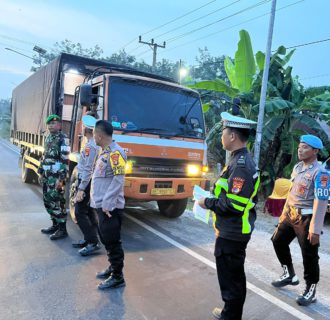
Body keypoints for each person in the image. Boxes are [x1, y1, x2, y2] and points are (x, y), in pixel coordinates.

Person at [198, 112, 259, 320]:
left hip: (233, 232)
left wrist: (206, 202)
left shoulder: (241, 166)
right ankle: (230, 313)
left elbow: (233, 204)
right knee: (233, 276)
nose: (221, 136)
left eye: (224, 132)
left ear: (232, 135)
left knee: (231, 278)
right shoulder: (236, 160)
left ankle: (230, 316)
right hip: (230, 229)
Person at [271, 135, 330, 306]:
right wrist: (283, 214)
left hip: (306, 219)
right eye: (299, 146)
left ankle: (310, 290)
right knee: (277, 241)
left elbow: (321, 200)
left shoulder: (321, 173)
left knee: (309, 256)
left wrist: (315, 229)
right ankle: (289, 274)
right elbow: (291, 193)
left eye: (305, 147)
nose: (300, 149)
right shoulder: (297, 167)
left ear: (316, 151)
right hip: (290, 215)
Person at [90, 120, 127, 290]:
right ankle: (113, 268)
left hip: (109, 207)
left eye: (93, 134)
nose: (93, 137)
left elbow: (119, 179)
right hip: (101, 204)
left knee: (113, 241)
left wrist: (107, 203)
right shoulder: (104, 152)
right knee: (106, 238)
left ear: (99, 135)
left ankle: (118, 277)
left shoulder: (115, 153)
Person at [72, 115, 101, 256]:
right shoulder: (90, 143)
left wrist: (81, 189)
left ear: (86, 129)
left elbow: (88, 169)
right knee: (88, 211)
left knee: (79, 212)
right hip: (87, 180)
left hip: (87, 182)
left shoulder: (91, 146)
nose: (82, 128)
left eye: (83, 126)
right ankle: (89, 239)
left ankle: (93, 242)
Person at [38, 114, 70, 240]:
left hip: (57, 178)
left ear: (59, 125)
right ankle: (55, 225)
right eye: (49, 123)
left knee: (57, 202)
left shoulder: (63, 139)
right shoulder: (48, 137)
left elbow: (65, 160)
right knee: (47, 200)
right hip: (47, 176)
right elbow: (44, 156)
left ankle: (63, 229)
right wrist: (40, 171)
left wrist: (61, 180)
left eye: (54, 123)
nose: (51, 125)